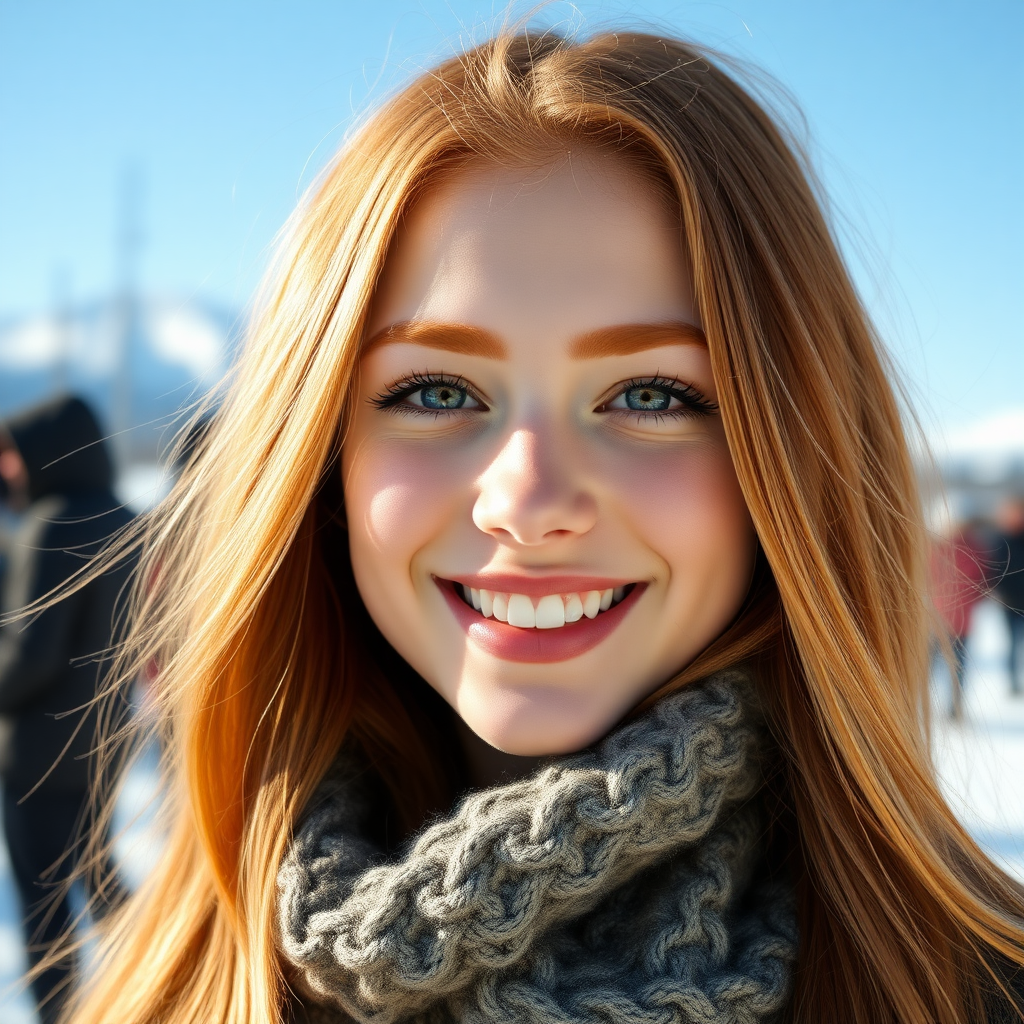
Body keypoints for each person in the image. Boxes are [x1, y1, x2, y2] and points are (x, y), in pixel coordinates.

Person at [61, 29, 1023, 1024]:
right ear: (319, 459)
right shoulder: (174, 989)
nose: (523, 499)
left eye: (651, 394)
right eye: (435, 389)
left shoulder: (976, 987)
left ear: (790, 455)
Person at [0, 395, 134, 1024]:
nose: (8, 469)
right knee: (101, 879)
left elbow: (29, 658)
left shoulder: (51, 525)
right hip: (103, 744)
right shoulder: (125, 517)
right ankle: (165, 983)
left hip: (35, 756)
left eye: (13, 454)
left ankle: (61, 1016)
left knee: (44, 910)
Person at [930, 520, 990, 719]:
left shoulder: (940, 548)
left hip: (946, 619)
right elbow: (984, 585)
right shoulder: (975, 550)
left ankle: (951, 707)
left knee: (945, 665)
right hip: (947, 620)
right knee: (950, 666)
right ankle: (951, 707)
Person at [993, 498, 1024, 696]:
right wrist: (1000, 592)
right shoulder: (1000, 540)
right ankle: (1013, 682)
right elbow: (995, 571)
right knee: (1013, 643)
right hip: (1009, 602)